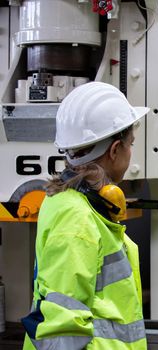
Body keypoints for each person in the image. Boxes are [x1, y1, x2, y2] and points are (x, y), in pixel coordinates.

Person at [21, 82, 149, 349]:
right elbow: (62, 332)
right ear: (115, 151)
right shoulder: (76, 218)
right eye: (131, 144)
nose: (130, 152)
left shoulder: (83, 208)